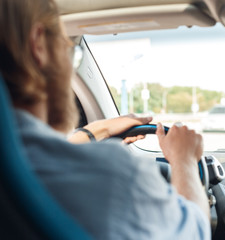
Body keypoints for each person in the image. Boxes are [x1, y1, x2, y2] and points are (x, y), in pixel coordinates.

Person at [0, 0, 210, 239]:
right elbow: (196, 231)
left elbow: (22, 158)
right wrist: (185, 160)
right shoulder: (111, 174)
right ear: (38, 45)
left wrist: (96, 131)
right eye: (71, 53)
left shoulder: (17, 167)